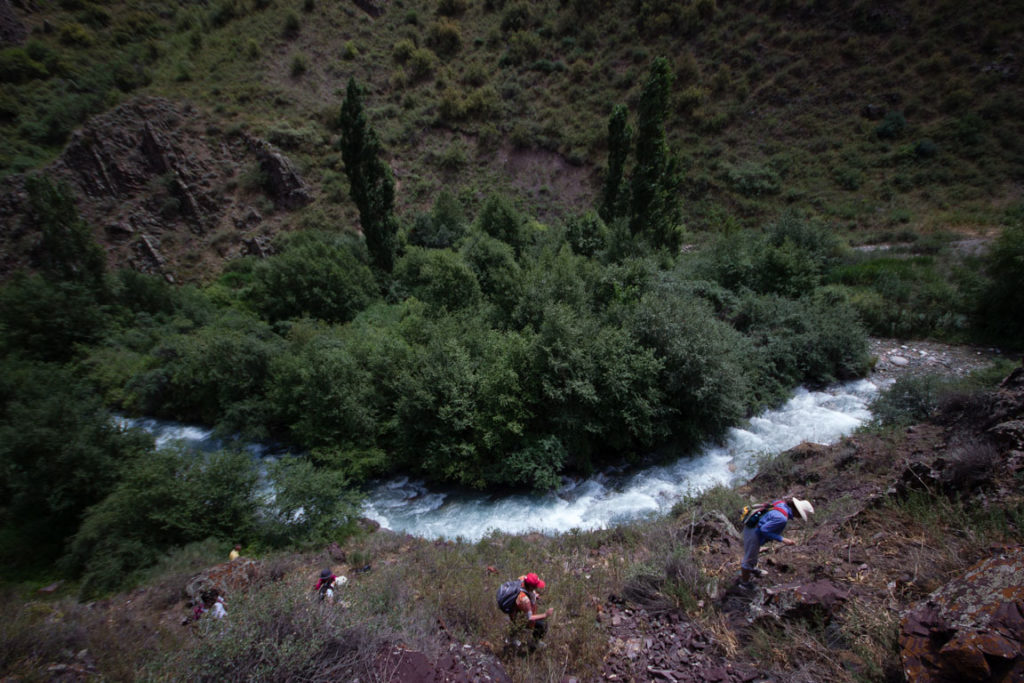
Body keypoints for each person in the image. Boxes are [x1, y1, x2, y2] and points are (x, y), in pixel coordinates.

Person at [738, 497, 814, 590]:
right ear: (797, 511)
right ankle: (744, 584)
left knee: (753, 552)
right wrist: (783, 539)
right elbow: (764, 530)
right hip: (754, 532)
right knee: (749, 557)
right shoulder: (782, 518)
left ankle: (752, 569)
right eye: (800, 515)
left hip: (753, 526)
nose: (799, 517)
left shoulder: (781, 503)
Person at [512, 572, 553, 644]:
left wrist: (533, 594)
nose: (537, 587)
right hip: (519, 616)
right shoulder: (525, 600)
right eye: (535, 586)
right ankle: (534, 643)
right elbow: (529, 617)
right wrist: (545, 615)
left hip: (515, 610)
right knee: (542, 625)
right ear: (531, 587)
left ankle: (512, 636)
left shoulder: (522, 579)